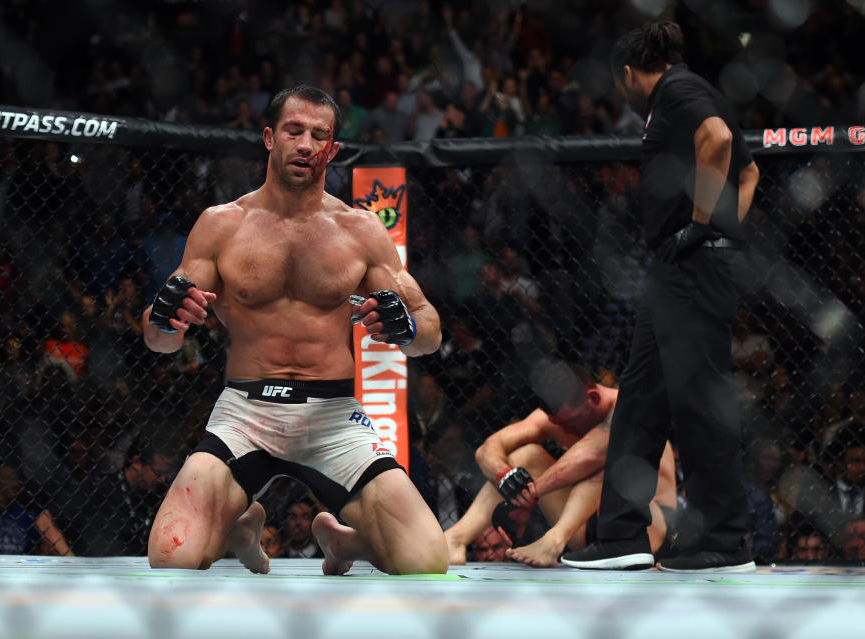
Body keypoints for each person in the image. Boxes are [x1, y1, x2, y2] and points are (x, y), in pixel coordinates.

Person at [142, 85, 447, 576]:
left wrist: (407, 328)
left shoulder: (360, 230)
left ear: (333, 150)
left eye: (319, 135)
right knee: (171, 556)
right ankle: (239, 529)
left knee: (427, 561)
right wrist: (162, 319)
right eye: (294, 130)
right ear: (269, 137)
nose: (306, 144)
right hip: (246, 415)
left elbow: (430, 331)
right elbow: (160, 341)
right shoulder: (222, 225)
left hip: (332, 419)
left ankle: (347, 544)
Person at [561, 20, 760, 573]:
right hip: (677, 270)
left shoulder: (677, 90)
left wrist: (703, 228)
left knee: (698, 403)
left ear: (628, 73)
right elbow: (750, 173)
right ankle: (622, 535)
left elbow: (719, 141)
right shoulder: (687, 94)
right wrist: (722, 230)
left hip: (692, 270)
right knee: (641, 403)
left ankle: (723, 541)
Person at [444, 361, 675, 567]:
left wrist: (529, 493)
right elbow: (488, 448)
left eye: (570, 422)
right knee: (527, 456)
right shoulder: (559, 417)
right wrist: (505, 476)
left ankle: (553, 541)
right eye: (559, 424)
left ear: (593, 398)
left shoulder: (627, 408)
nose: (565, 431)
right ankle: (456, 540)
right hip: (588, 528)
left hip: (649, 529)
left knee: (612, 462)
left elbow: (590, 456)